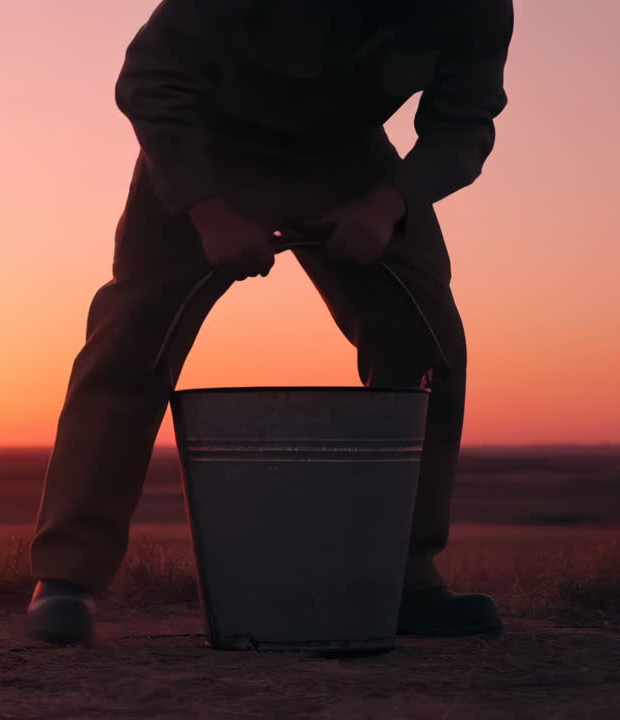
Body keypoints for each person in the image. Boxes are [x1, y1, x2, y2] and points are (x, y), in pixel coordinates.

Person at [27, 0, 514, 645]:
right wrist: (208, 212)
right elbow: (150, 78)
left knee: (427, 345)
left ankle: (405, 578)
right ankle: (66, 578)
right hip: (207, 149)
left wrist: (388, 202)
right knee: (129, 344)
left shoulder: (477, 9)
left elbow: (463, 121)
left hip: (351, 159)